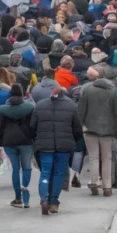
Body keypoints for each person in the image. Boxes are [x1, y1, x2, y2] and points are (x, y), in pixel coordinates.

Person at [30, 87, 83, 215]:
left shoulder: (40, 105)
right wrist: (74, 141)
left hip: (44, 145)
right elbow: (77, 128)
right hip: (64, 146)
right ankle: (53, 202)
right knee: (59, 173)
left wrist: (36, 140)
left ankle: (44, 198)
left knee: (45, 173)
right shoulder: (71, 105)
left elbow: (32, 127)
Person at [78, 66, 117, 196]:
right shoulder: (113, 90)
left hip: (90, 128)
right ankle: (107, 186)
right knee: (107, 157)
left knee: (94, 157)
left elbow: (81, 110)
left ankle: (94, 182)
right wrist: (115, 128)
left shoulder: (88, 90)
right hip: (108, 130)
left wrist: (82, 125)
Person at [0, 83, 35, 208]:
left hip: (9, 142)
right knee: (27, 167)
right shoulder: (30, 108)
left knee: (15, 169)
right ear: (23, 94)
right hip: (26, 142)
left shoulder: (4, 109)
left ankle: (18, 198)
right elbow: (34, 125)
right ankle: (25, 193)